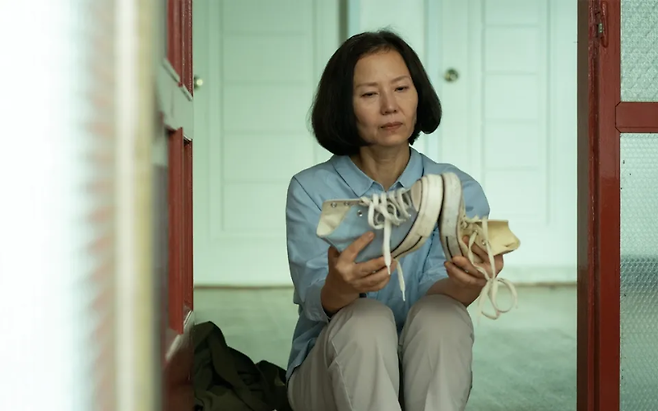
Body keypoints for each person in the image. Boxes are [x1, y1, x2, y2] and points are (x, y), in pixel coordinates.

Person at [284, 30, 506, 411]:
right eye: (370, 94)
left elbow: (443, 295)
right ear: (344, 106)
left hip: (419, 373)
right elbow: (315, 298)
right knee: (365, 319)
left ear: (419, 94)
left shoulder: (456, 189)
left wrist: (469, 281)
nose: (390, 106)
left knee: (443, 317)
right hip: (328, 378)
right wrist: (339, 286)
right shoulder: (310, 189)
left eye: (401, 88)